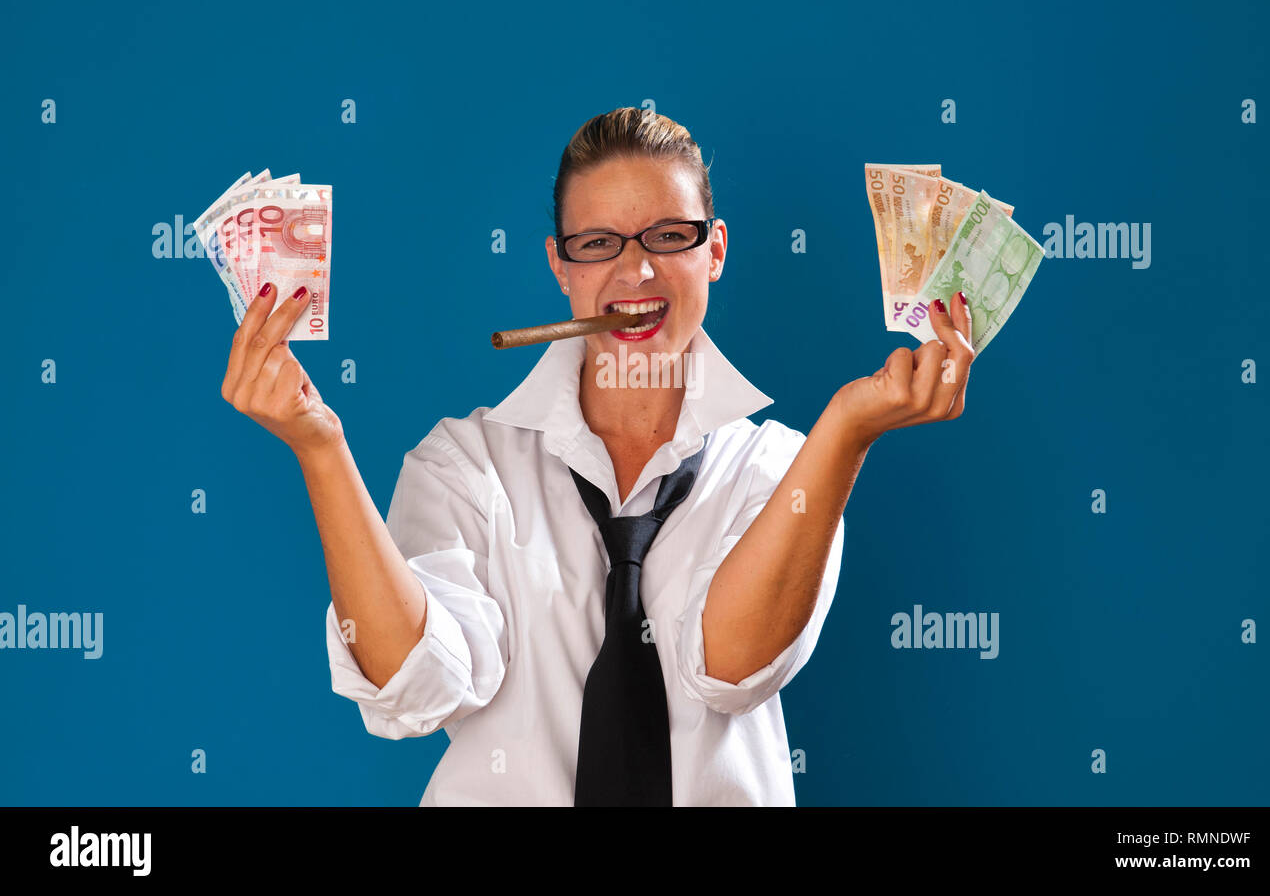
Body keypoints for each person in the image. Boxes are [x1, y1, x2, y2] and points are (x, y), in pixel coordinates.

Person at [220, 107, 974, 806]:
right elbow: (414, 681)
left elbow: (731, 665)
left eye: (668, 236)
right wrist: (320, 449)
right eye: (599, 244)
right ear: (561, 264)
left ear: (714, 249)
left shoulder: (782, 470)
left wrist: (846, 431)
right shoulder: (466, 464)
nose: (636, 272)